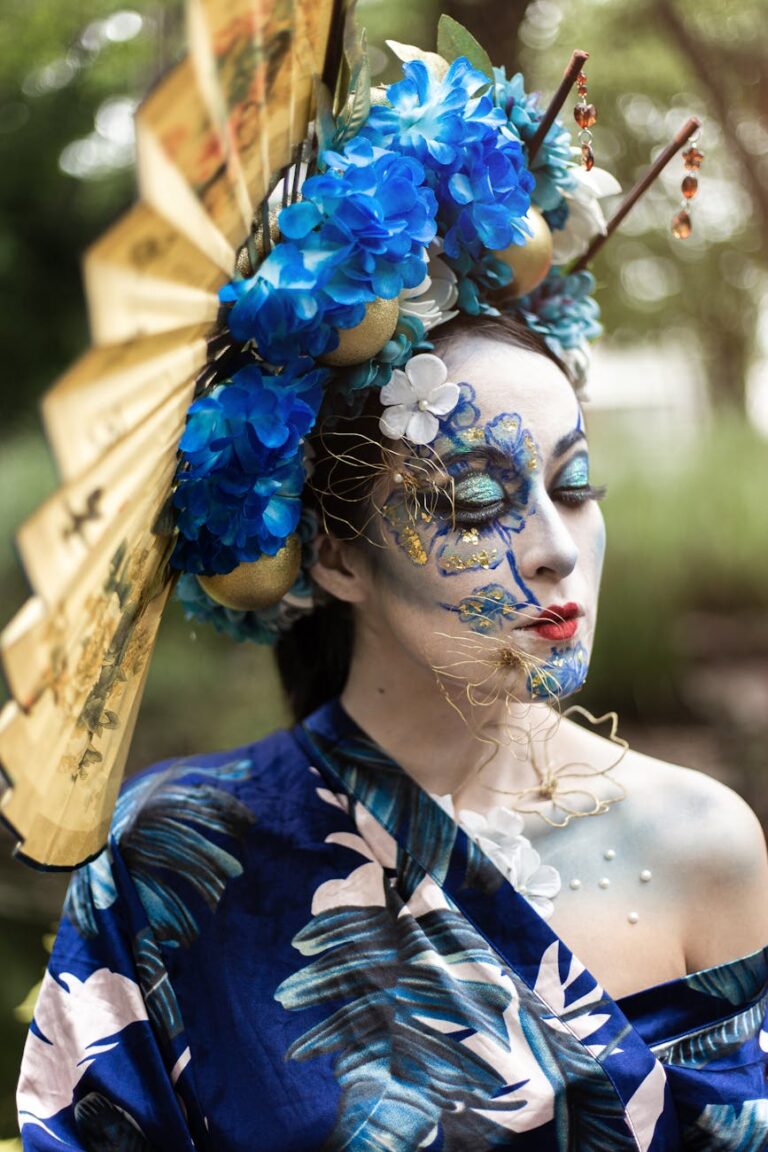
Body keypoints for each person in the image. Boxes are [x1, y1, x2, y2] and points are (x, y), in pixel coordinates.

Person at [12, 10, 768, 1151]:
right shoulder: (176, 855)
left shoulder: (706, 840)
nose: (555, 547)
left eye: (577, 484)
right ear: (334, 556)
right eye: (473, 503)